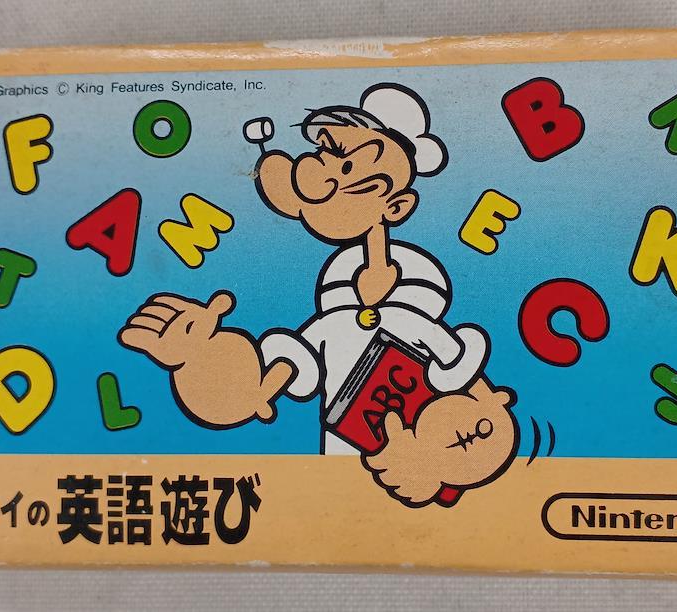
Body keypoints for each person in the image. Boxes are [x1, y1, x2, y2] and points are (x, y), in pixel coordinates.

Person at [119, 83, 519, 507]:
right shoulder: (332, 320)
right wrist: (195, 359)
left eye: (344, 166)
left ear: (396, 207)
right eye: (322, 156)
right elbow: (263, 389)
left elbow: (482, 406)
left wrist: (434, 470)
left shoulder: (416, 310)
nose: (317, 174)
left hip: (427, 475)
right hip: (342, 486)